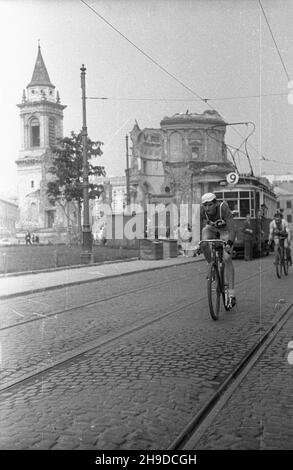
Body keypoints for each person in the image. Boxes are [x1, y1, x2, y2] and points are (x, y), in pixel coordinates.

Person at [200, 192, 236, 307]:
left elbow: (232, 229)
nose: (207, 208)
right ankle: (211, 266)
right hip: (213, 229)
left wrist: (229, 244)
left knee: (226, 258)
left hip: (226, 231)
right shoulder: (202, 211)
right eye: (205, 205)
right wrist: (196, 244)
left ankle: (231, 294)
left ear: (215, 203)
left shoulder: (223, 208)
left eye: (210, 205)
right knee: (204, 241)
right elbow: (198, 227)